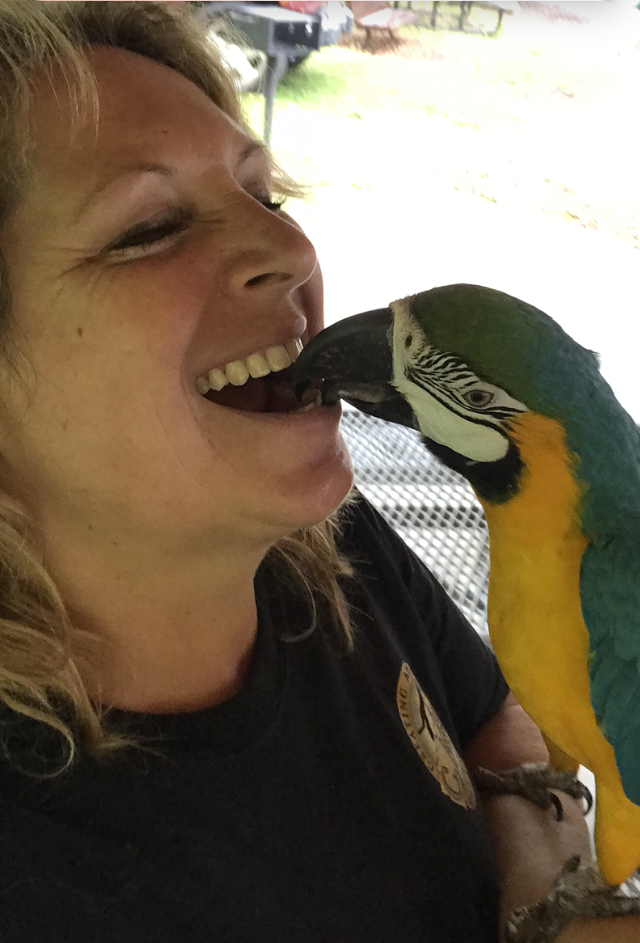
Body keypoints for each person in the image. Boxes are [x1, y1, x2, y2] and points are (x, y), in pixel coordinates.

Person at [0, 2, 634, 941]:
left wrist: (549, 894)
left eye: (269, 198)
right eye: (150, 227)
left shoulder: (332, 547)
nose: (293, 250)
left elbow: (504, 717)